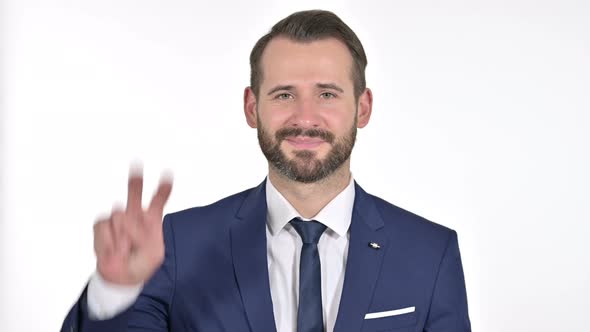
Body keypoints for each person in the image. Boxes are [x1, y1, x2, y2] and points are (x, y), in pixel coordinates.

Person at [61, 9, 471, 332]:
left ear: (362, 107)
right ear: (252, 107)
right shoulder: (178, 246)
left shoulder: (430, 254)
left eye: (327, 94)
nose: (305, 117)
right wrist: (114, 290)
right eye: (284, 94)